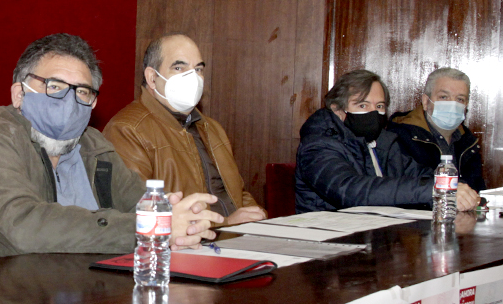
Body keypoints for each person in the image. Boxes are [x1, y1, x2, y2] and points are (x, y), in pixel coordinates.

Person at [0, 33, 223, 265]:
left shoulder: (93, 146)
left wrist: (181, 218)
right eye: (54, 86)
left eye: (81, 91)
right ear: (19, 94)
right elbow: (20, 231)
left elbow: (140, 205)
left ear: (92, 102)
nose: (69, 100)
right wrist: (149, 227)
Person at [103, 34, 266, 225]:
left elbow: (237, 193)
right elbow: (142, 214)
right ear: (152, 77)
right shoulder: (127, 130)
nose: (193, 77)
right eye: (179, 68)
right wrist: (227, 225)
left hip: (239, 240)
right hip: (187, 247)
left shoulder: (211, 128)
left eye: (198, 69)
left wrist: (258, 217)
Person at [294, 68, 480, 213]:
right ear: (338, 110)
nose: (373, 113)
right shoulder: (318, 144)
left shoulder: (383, 142)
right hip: (327, 240)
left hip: (375, 238)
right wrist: (433, 189)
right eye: (362, 105)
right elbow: (351, 191)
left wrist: (461, 190)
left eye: (380, 106)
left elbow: (418, 175)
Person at [387, 67, 485, 191]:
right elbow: (403, 189)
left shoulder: (468, 143)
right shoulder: (400, 137)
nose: (452, 105)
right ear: (426, 101)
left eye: (460, 99)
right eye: (444, 97)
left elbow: (477, 192)